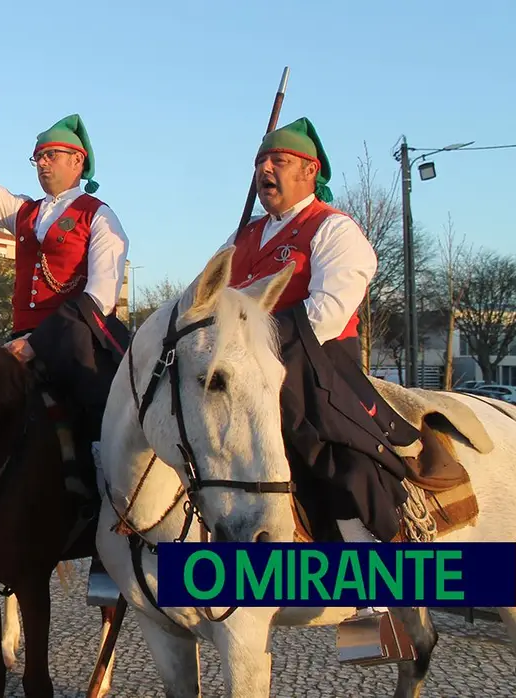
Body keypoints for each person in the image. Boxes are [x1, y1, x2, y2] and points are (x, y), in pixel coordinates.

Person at [222, 117, 421, 633]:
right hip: (248, 369)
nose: (265, 169)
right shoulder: (241, 238)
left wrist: (254, 341)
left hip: (319, 363)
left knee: (331, 450)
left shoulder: (334, 228)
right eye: (260, 163)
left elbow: (330, 310)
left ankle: (374, 583)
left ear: (310, 171)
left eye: (278, 161)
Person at [0, 64, 132, 500]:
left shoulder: (99, 215)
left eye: (52, 155)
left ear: (78, 161)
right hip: (22, 335)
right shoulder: (24, 211)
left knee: (103, 406)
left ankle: (112, 496)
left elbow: (99, 297)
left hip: (80, 337)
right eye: (38, 156)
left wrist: (39, 343)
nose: (42, 163)